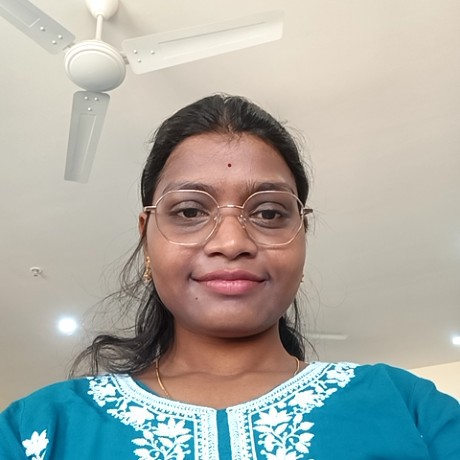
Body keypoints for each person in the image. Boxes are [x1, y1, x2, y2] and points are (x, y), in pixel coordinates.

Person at [0, 94, 459, 459]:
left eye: (269, 212)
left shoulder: (410, 409)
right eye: (189, 211)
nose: (232, 241)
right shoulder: (37, 429)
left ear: (302, 233)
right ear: (147, 236)